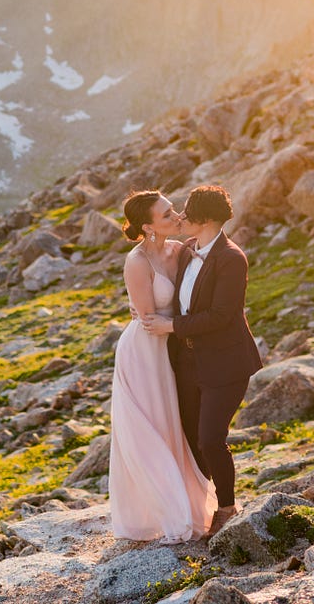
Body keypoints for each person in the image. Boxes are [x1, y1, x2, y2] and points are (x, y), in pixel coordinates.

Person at [141, 184, 261, 537]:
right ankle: (198, 507)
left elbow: (222, 315)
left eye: (187, 212)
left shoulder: (232, 258)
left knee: (211, 439)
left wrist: (171, 326)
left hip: (226, 364)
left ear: (205, 219)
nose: (181, 217)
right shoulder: (187, 251)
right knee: (191, 439)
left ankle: (226, 507)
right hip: (188, 362)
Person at [107, 190, 216, 543]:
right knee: (150, 431)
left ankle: (187, 506)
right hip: (144, 354)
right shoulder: (137, 262)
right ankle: (169, 514)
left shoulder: (181, 250)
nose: (176, 215)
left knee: (173, 428)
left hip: (171, 350)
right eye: (167, 213)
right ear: (147, 226)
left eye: (173, 209)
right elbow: (147, 319)